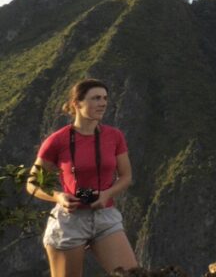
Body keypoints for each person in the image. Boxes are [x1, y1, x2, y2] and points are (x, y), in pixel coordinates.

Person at [25, 79, 138, 277]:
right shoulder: (57, 141)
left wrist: (107, 194)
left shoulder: (114, 136)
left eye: (104, 98)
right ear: (77, 104)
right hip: (70, 221)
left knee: (133, 275)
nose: (103, 103)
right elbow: (32, 183)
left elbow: (126, 176)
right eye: (95, 98)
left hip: (105, 216)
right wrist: (59, 197)